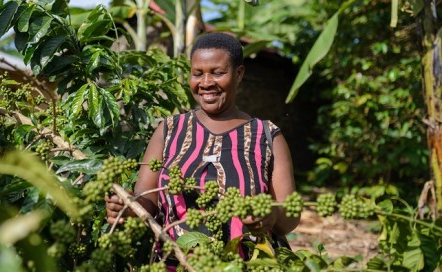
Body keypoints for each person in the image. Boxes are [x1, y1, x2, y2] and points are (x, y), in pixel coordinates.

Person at [105, 32, 299, 259]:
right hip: (176, 262)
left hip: (245, 264)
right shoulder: (169, 130)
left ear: (239, 74)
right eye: (198, 74)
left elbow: (290, 217)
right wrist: (127, 207)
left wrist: (272, 216)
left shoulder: (266, 136)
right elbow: (148, 201)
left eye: (218, 73)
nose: (206, 83)